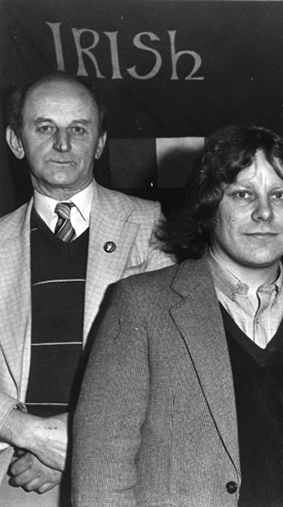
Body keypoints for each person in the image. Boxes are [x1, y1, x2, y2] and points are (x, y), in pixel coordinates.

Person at [71, 123, 283, 507]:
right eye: (243, 194)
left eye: (280, 195)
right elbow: (102, 470)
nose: (264, 212)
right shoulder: (142, 305)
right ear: (211, 206)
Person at [0, 72, 174, 506]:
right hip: (16, 474)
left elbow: (171, 362)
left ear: (99, 143)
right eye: (45, 128)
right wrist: (32, 434)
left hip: (124, 471)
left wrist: (78, 439)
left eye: (78, 128)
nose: (63, 144)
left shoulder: (151, 226)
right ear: (16, 141)